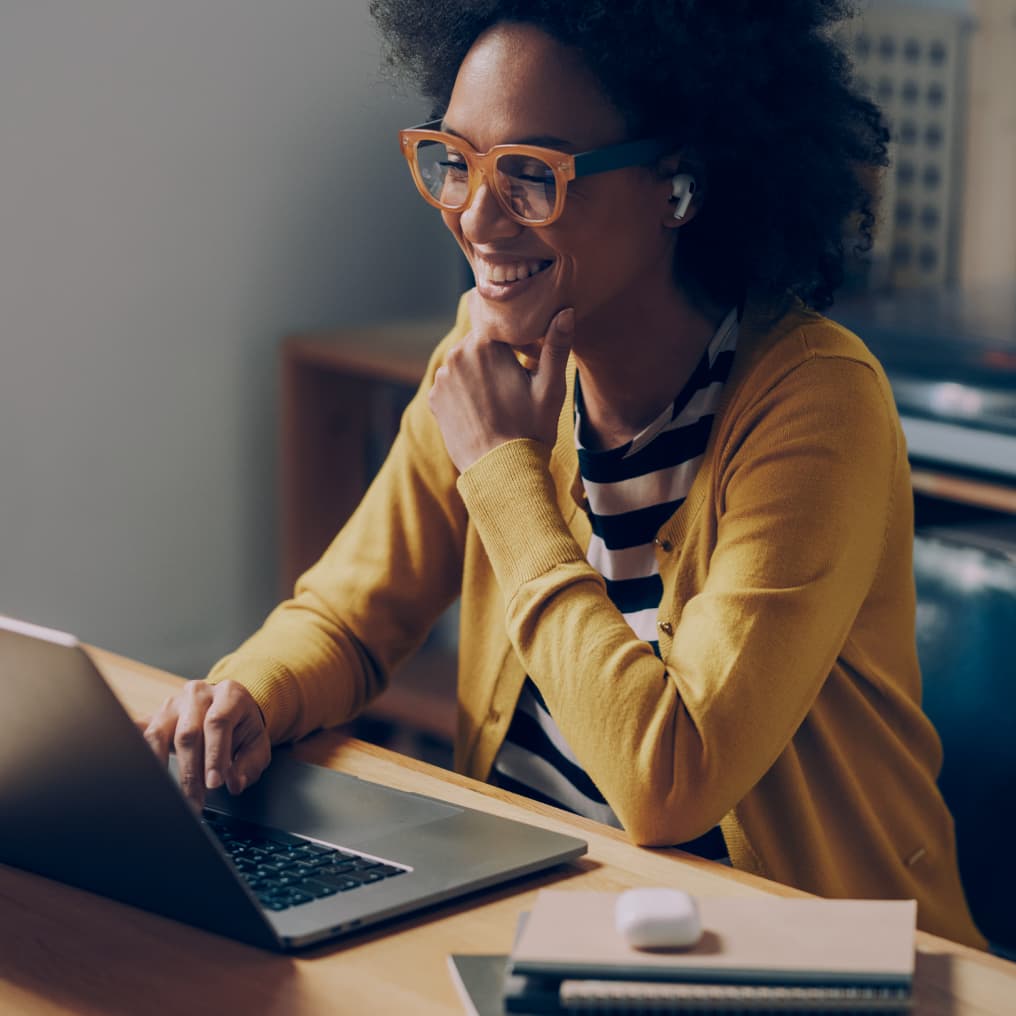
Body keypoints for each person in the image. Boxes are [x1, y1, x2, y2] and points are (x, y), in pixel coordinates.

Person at [142, 1, 985, 948]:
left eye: (532, 175)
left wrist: (506, 478)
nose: (474, 214)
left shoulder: (814, 403)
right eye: (456, 161)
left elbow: (669, 780)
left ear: (678, 184)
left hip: (799, 955)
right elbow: (348, 617)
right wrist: (248, 696)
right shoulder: (483, 364)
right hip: (535, 922)